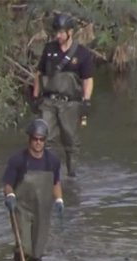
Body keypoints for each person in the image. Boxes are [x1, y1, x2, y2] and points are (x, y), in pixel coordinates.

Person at [2, 118, 64, 261]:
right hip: (21, 209)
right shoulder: (18, 160)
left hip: (42, 211)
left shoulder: (52, 160)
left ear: (45, 140)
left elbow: (56, 182)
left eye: (41, 139)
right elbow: (7, 183)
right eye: (35, 139)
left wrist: (59, 199)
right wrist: (10, 196)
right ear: (29, 139)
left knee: (37, 254)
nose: (38, 143)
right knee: (23, 247)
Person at [31, 13, 94, 177]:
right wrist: (35, 96)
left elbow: (87, 80)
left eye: (61, 32)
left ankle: (72, 174)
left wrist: (86, 101)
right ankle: (47, 172)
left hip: (70, 103)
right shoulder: (49, 49)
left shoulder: (82, 54)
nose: (58, 36)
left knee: (70, 140)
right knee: (43, 136)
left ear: (70, 32)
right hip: (48, 101)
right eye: (56, 32)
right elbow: (39, 73)